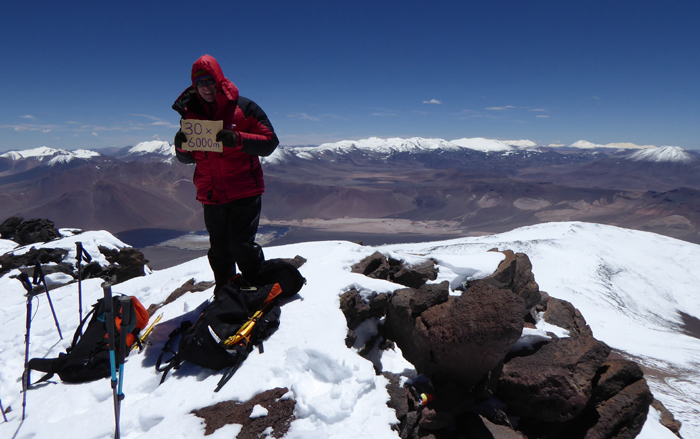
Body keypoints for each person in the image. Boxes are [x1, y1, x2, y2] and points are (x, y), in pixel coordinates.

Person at [172, 54, 279, 293]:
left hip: (244, 190)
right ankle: (226, 291)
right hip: (211, 195)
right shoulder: (190, 115)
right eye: (201, 83)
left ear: (218, 81)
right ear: (194, 87)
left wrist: (238, 139)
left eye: (210, 81)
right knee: (219, 249)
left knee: (240, 245)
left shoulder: (244, 108)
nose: (206, 88)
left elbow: (270, 142)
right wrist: (181, 144)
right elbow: (188, 157)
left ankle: (258, 289)